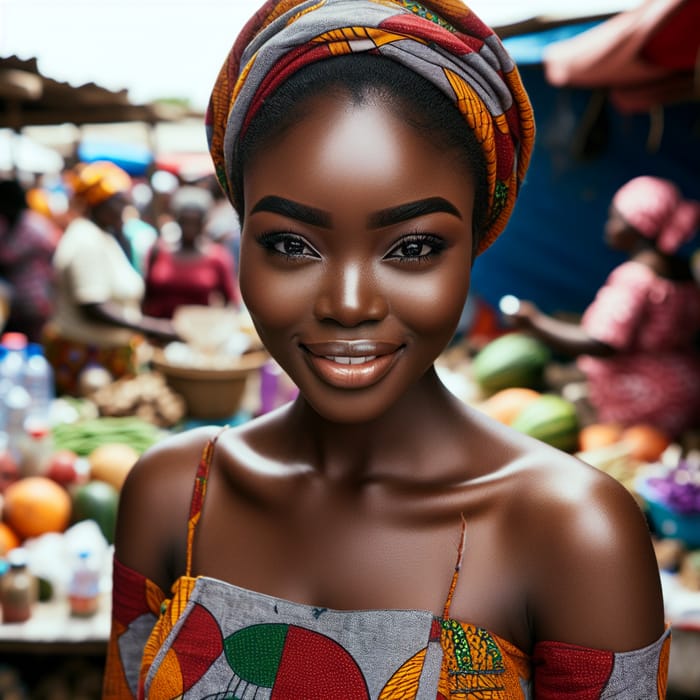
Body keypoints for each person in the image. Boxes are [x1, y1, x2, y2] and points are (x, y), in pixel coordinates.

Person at [103, 2, 669, 698]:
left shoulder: (575, 533)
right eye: (290, 243)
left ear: (476, 243)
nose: (349, 302)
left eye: (413, 247)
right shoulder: (172, 496)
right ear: (240, 238)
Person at [505, 175, 700, 440]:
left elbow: (602, 343)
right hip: (687, 392)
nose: (609, 226)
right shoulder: (685, 273)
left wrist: (534, 322)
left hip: (640, 398)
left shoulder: (635, 277)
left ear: (638, 227)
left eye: (616, 218)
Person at [44, 161, 178, 395]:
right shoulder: (85, 240)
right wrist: (152, 327)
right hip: (88, 359)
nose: (125, 207)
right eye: (118, 201)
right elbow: (93, 306)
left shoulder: (105, 236)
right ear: (98, 204)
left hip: (109, 354)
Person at [142, 185, 240, 319]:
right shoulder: (158, 251)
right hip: (156, 332)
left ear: (203, 223)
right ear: (177, 220)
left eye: (195, 222)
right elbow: (146, 298)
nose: (189, 228)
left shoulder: (217, 257)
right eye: (185, 221)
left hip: (198, 335)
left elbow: (231, 303)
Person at [0, 179, 57, 342]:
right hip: (15, 302)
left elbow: (7, 255)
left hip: (36, 300)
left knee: (34, 343)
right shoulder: (8, 223)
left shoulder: (33, 225)